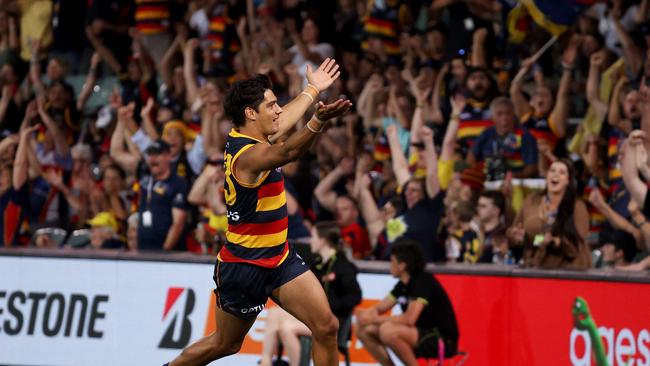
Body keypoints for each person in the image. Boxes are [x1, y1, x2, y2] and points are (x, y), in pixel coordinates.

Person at [164, 58, 351, 366]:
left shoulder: (252, 135)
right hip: (244, 266)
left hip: (278, 257)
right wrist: (317, 121)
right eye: (271, 105)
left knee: (327, 325)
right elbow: (288, 151)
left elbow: (286, 122)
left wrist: (313, 88)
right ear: (251, 114)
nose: (279, 110)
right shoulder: (247, 156)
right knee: (224, 344)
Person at [259, 222, 362, 366]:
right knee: (274, 314)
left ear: (323, 240)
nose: (310, 240)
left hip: (334, 323)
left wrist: (329, 307)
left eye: (313, 236)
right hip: (316, 315)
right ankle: (266, 362)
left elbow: (355, 296)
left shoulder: (343, 266)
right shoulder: (317, 265)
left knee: (287, 328)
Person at [356, 239, 459, 366]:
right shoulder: (403, 284)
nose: (390, 265)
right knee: (363, 330)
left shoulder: (422, 282)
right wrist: (365, 314)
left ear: (402, 265)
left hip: (441, 338)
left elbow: (409, 319)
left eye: (392, 261)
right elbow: (380, 307)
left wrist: (373, 319)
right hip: (417, 333)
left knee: (388, 331)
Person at [507, 159, 591, 269]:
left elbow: (578, 245)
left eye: (561, 172)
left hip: (568, 270)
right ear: (547, 175)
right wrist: (517, 236)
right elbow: (525, 235)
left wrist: (555, 242)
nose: (555, 174)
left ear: (568, 180)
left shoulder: (577, 206)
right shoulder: (531, 200)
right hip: (534, 266)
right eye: (552, 170)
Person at [136, 139, 189, 251]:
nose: (153, 159)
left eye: (157, 154)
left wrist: (164, 252)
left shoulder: (178, 183)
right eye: (150, 154)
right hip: (143, 249)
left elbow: (178, 223)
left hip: (168, 253)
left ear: (169, 156)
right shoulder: (145, 179)